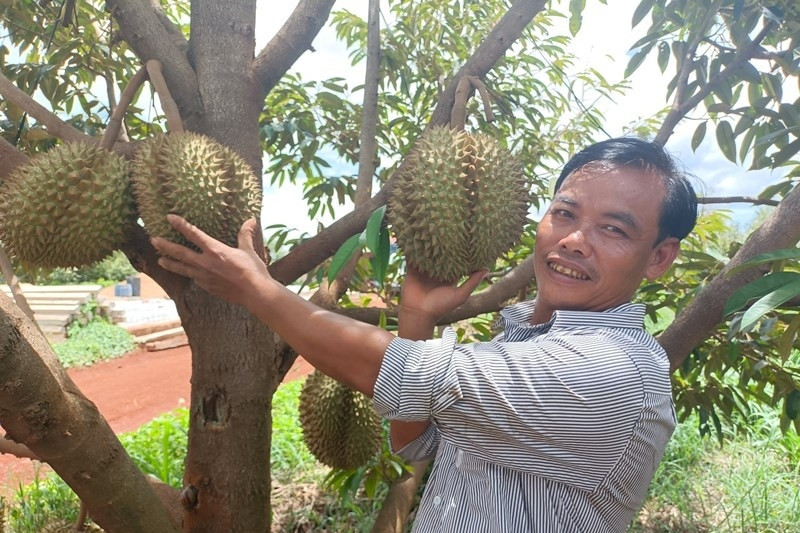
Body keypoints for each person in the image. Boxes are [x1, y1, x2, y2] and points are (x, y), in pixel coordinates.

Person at [152, 136, 698, 532]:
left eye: (613, 229)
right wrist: (417, 318)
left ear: (659, 257)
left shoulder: (615, 372)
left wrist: (258, 292)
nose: (576, 240)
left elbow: (415, 378)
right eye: (565, 212)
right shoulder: (523, 340)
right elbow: (415, 439)